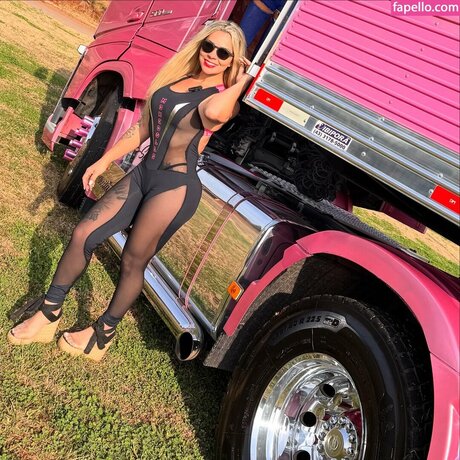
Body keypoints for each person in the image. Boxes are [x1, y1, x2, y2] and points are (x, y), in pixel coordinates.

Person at [8, 21, 252, 362]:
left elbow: (212, 114)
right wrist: (103, 160)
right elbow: (143, 128)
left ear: (233, 60)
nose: (212, 55)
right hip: (142, 174)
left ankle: (102, 335)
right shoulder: (179, 79)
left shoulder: (223, 99)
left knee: (133, 261)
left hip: (175, 188)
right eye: (208, 46)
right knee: (83, 233)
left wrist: (242, 79)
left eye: (223, 53)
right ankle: (48, 315)